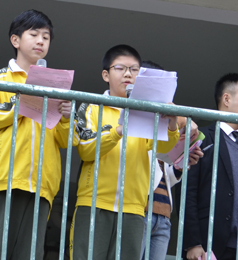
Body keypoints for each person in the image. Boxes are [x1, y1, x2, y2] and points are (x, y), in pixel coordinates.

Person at [0, 9, 73, 260]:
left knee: (30, 254)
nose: (41, 41)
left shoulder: (56, 87)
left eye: (46, 37)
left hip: (42, 185)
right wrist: (20, 103)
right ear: (15, 40)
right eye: (34, 34)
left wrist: (66, 117)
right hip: (4, 179)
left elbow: (64, 140)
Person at [70, 45, 181, 260]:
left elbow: (163, 149)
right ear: (106, 75)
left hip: (134, 208)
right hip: (93, 203)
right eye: (120, 68)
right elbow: (86, 149)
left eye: (134, 69)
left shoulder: (147, 111)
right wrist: (119, 130)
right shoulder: (92, 107)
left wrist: (172, 124)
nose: (128, 74)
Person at [183, 73, 238, 260]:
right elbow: (187, 192)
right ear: (227, 99)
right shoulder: (201, 138)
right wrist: (193, 242)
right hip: (207, 245)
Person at [139, 61, 204, 260]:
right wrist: (183, 119)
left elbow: (165, 173)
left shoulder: (167, 122)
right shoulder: (134, 117)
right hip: (139, 209)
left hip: (164, 213)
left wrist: (183, 162)